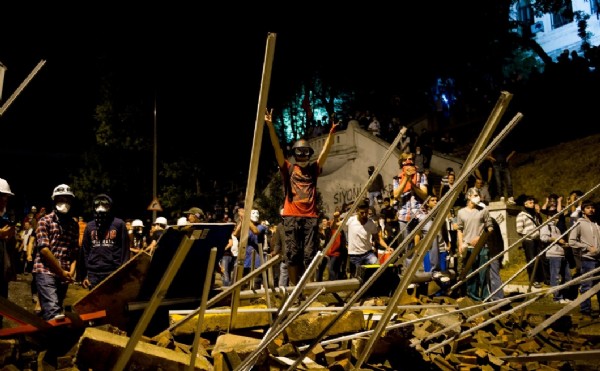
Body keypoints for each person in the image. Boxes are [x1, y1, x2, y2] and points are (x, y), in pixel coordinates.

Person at [264, 108, 339, 285]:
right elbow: (277, 149)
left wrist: (331, 134)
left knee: (310, 254)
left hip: (310, 217)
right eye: (300, 152)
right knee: (292, 253)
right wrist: (270, 126)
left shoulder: (313, 170)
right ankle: (294, 291)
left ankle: (306, 288)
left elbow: (324, 154)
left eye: (305, 152)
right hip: (291, 216)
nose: (303, 155)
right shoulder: (288, 168)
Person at [32, 184, 79, 320]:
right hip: (45, 270)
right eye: (60, 199)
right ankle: (55, 339)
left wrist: (71, 270)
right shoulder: (44, 221)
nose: (64, 203)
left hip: (64, 274)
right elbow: (44, 251)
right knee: (54, 312)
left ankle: (38, 334)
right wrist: (61, 271)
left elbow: (74, 251)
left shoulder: (73, 225)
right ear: (54, 201)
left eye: (67, 199)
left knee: (55, 307)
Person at [81, 194, 129, 290]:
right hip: (93, 273)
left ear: (110, 207)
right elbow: (85, 251)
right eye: (97, 205)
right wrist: (85, 275)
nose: (101, 208)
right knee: (95, 303)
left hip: (113, 272)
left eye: (105, 205)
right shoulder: (90, 226)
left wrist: (123, 273)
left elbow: (125, 250)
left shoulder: (119, 224)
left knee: (114, 302)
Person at [456, 187, 495, 301]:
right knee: (470, 274)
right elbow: (460, 229)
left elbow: (490, 228)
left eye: (478, 195)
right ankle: (473, 298)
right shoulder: (461, 212)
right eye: (475, 195)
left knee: (483, 274)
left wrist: (480, 238)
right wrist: (460, 243)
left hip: (482, 247)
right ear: (469, 197)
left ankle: (485, 297)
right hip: (468, 248)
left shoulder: (483, 210)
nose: (478, 197)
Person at [343, 199, 392, 276]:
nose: (364, 215)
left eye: (366, 212)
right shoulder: (351, 220)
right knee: (357, 277)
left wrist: (387, 247)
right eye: (362, 213)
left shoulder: (370, 223)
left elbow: (377, 238)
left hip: (367, 254)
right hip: (354, 256)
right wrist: (335, 218)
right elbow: (336, 226)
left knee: (376, 266)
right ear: (357, 211)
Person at [568, 200, 600, 316]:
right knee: (587, 285)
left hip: (599, 259)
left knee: (599, 286)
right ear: (583, 210)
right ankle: (585, 310)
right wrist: (586, 247)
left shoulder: (597, 223)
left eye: (592, 207)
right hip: (588, 259)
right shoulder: (579, 223)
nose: (591, 210)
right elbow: (571, 241)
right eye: (588, 208)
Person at [392, 152, 428, 249]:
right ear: (402, 163)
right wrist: (406, 179)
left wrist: (412, 183)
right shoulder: (397, 178)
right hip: (404, 215)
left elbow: (424, 195)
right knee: (408, 247)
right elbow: (396, 195)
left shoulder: (421, 176)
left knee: (431, 233)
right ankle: (409, 264)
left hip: (420, 212)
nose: (408, 162)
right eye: (405, 160)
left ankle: (433, 263)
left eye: (411, 159)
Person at [516, 195, 545, 289]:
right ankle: (533, 280)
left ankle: (540, 278)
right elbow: (519, 230)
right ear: (525, 204)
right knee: (531, 260)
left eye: (533, 202)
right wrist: (530, 234)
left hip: (537, 240)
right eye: (530, 203)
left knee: (539, 259)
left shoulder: (535, 214)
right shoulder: (521, 215)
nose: (533, 204)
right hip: (529, 241)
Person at [541, 217, 572, 303]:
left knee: (567, 277)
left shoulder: (557, 228)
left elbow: (559, 242)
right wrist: (558, 240)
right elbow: (543, 238)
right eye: (553, 216)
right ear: (548, 217)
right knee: (555, 276)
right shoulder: (546, 226)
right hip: (553, 254)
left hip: (562, 254)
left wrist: (565, 244)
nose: (556, 219)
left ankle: (566, 296)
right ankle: (557, 298)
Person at [0, 178, 17, 326]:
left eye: (5, 196)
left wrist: (11, 237)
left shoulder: (4, 217)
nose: (4, 200)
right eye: (1, 196)